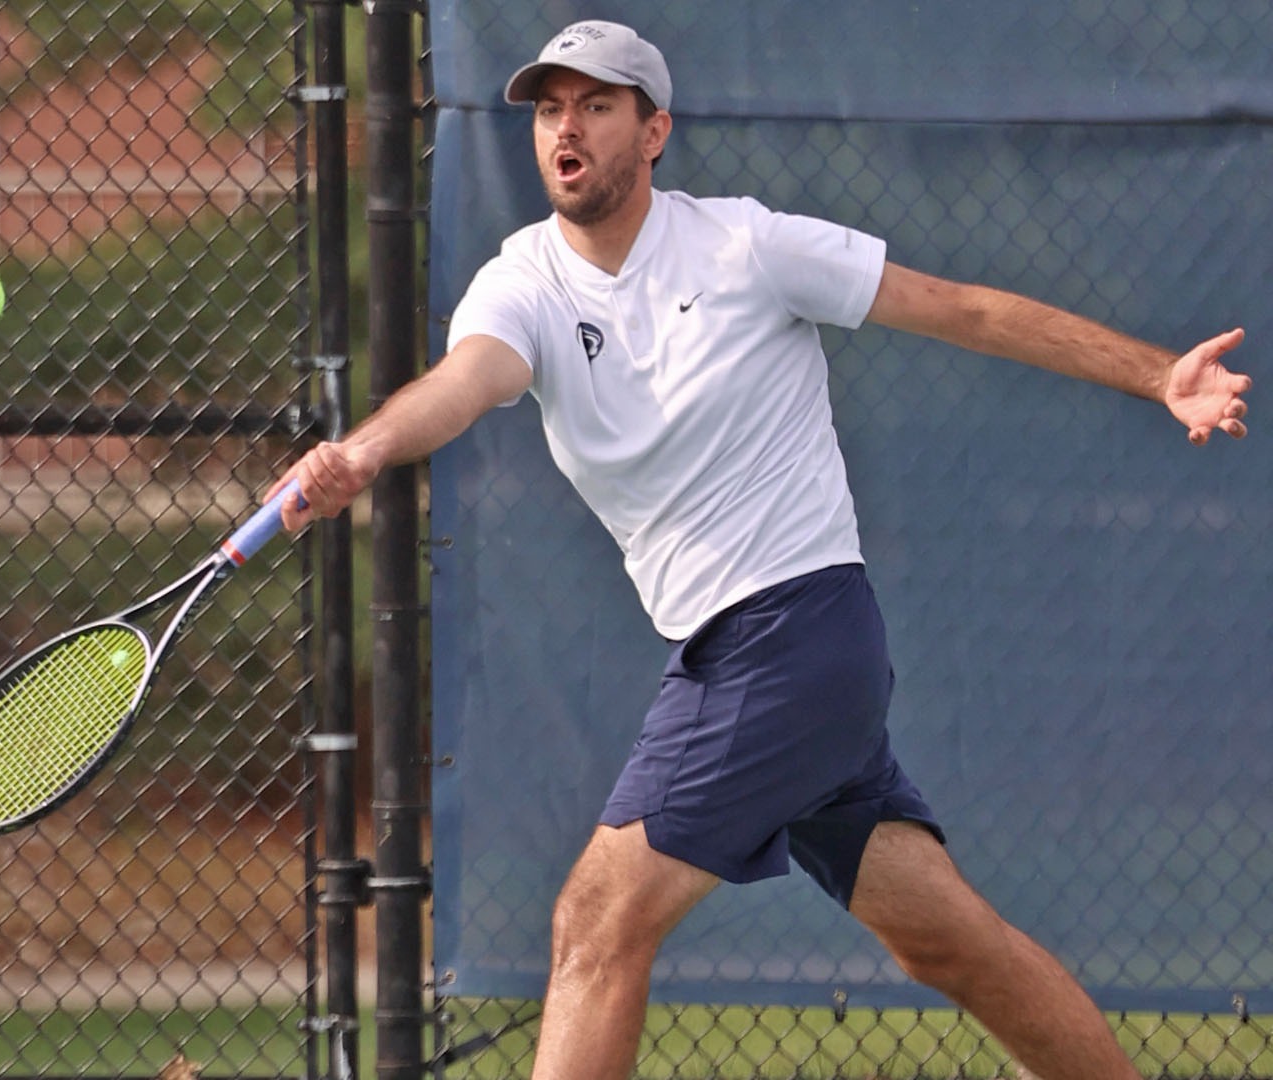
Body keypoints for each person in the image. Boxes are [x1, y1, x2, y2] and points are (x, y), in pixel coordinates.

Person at [272, 20, 1252, 1080]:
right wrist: (363, 453)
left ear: (653, 133)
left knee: (596, 923)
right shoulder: (524, 283)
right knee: (947, 943)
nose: (568, 127)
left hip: (792, 633)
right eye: (551, 108)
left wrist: (1158, 375)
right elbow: (468, 381)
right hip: (756, 655)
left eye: (597, 106)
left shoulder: (749, 245)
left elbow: (963, 308)